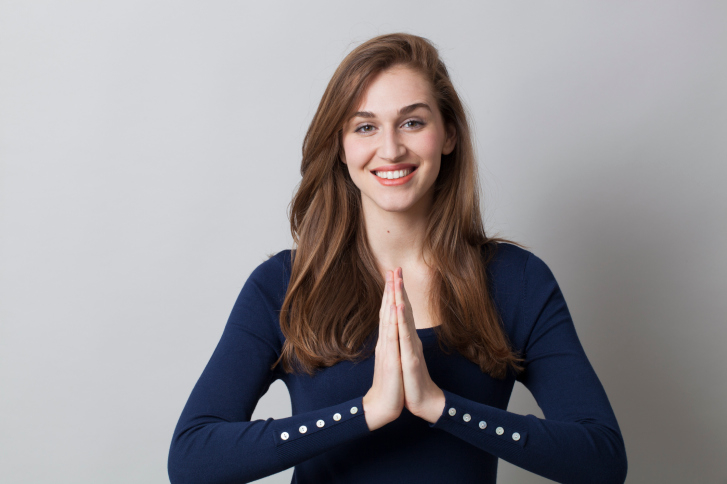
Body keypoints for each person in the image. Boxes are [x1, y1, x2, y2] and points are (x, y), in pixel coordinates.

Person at [167, 33, 627, 484]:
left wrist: (441, 406)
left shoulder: (515, 281)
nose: (390, 149)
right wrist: (365, 413)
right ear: (341, 146)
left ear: (448, 134)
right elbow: (192, 459)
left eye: (412, 122)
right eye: (365, 126)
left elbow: (601, 460)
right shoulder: (285, 284)